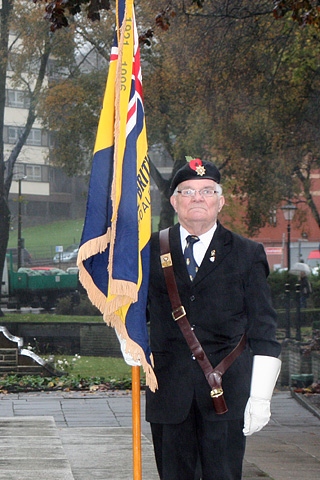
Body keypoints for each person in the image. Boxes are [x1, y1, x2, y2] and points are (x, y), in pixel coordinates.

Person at [144, 159, 282, 480]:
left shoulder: (248, 254)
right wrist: (128, 338)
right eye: (187, 191)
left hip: (226, 395)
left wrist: (260, 397)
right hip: (169, 395)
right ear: (174, 201)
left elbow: (264, 329)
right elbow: (133, 313)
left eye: (207, 191)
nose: (197, 197)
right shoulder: (148, 250)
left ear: (220, 201)